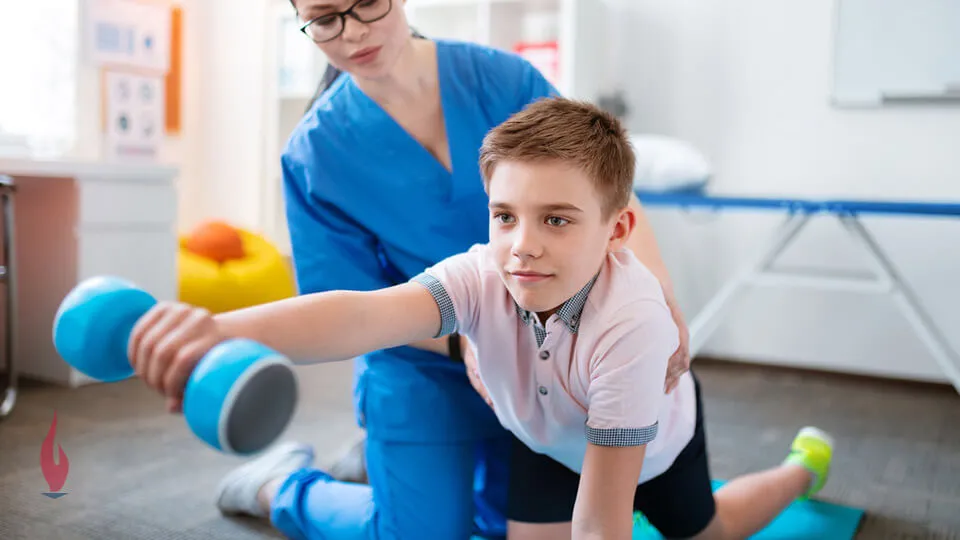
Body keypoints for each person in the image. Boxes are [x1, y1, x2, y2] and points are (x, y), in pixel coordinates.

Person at [128, 97, 834, 540]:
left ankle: (803, 467)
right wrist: (212, 331)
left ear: (617, 229)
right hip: (543, 436)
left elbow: (601, 518)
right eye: (505, 216)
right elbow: (361, 316)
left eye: (556, 219)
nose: (523, 243)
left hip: (647, 447)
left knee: (714, 531)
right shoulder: (483, 270)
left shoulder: (633, 325)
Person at [185, 0, 688, 538]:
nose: (352, 33)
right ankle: (282, 486)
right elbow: (353, 306)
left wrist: (661, 298)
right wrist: (467, 341)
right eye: (325, 18)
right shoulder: (314, 154)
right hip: (417, 362)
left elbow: (605, 188)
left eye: (367, 4)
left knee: (512, 526)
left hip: (538, 355)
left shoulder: (502, 79)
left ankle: (389, 465)